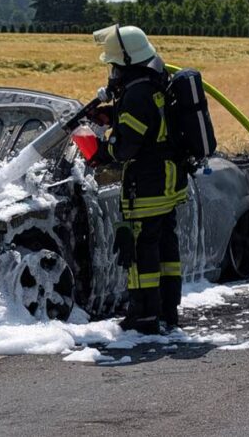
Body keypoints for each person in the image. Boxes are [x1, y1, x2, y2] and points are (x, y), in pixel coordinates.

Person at [87, 25, 187, 335]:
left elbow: (125, 148)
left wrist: (98, 148)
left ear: (126, 62)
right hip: (169, 181)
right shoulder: (154, 83)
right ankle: (168, 312)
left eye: (113, 64)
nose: (111, 71)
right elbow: (150, 125)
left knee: (141, 248)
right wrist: (112, 116)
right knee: (165, 246)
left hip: (147, 184)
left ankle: (143, 316)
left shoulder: (136, 95)